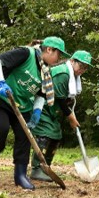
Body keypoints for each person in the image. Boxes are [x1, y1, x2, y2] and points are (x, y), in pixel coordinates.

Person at [0, 36, 71, 190]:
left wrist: (36, 112)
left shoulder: (46, 71)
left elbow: (41, 94)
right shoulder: (26, 54)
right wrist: (1, 82)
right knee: (0, 129)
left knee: (25, 135)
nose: (59, 58)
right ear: (49, 49)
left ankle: (20, 175)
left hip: (21, 104)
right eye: (58, 54)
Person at [30, 50, 92, 181]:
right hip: (42, 107)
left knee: (56, 135)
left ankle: (46, 168)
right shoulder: (63, 73)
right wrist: (71, 118)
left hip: (52, 110)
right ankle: (36, 169)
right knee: (45, 134)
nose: (82, 70)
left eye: (85, 68)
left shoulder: (73, 76)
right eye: (81, 66)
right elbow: (59, 99)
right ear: (72, 61)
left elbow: (66, 100)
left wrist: (71, 115)